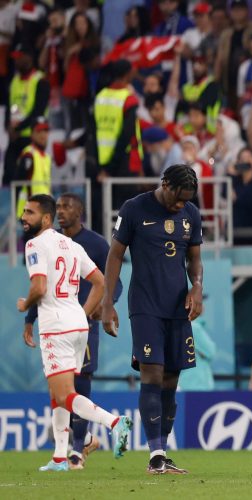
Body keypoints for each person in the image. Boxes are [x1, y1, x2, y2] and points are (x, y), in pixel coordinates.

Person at [17, 194, 132, 472]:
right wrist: (83, 312)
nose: (23, 217)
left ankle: (114, 423)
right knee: (57, 393)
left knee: (64, 394)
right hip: (78, 325)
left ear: (45, 219)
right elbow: (100, 282)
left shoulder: (34, 244)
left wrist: (25, 304)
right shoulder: (71, 245)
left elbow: (40, 287)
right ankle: (59, 457)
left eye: (30, 212)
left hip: (55, 327)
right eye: (23, 211)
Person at [102, 164, 203, 475]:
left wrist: (197, 288)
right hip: (145, 304)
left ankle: (163, 449)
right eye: (176, 198)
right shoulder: (134, 209)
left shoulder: (190, 213)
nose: (179, 205)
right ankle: (155, 454)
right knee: (153, 374)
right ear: (165, 183)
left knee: (172, 378)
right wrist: (108, 302)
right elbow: (115, 255)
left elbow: (194, 258)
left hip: (177, 307)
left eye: (186, 200)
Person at [93, 59, 142, 230]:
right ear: (128, 74)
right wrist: (110, 167)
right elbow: (126, 135)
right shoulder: (128, 99)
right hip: (122, 163)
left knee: (106, 212)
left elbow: (93, 133)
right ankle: (121, 254)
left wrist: (102, 168)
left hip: (102, 162)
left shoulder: (100, 97)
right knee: (125, 212)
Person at [3, 42, 50, 187]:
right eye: (15, 57)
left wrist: (17, 128)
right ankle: (6, 209)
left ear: (29, 58)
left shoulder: (40, 80)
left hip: (31, 138)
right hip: (15, 137)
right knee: (8, 176)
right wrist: (8, 127)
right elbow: (9, 107)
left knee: (28, 179)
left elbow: (38, 111)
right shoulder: (14, 81)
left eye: (19, 57)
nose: (16, 61)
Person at [15, 118, 51, 218]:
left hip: (42, 211)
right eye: (39, 131)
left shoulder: (46, 157)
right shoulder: (28, 155)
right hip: (29, 213)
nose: (43, 134)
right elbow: (18, 185)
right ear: (32, 134)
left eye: (46, 130)